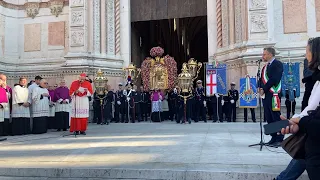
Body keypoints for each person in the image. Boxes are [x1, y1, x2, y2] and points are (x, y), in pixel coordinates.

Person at [275, 37, 320, 180]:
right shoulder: (317, 80)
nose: (306, 55)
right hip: (312, 145)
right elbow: (312, 109)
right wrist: (296, 124)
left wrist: (299, 121)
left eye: (307, 51)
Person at [259, 47, 284, 146]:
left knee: (276, 116)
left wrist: (264, 88)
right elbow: (261, 79)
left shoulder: (277, 64)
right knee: (269, 116)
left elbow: (275, 79)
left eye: (264, 54)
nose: (263, 56)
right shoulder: (265, 67)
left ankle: (280, 138)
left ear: (270, 54)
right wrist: (259, 88)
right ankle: (273, 137)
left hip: (274, 94)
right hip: (266, 95)